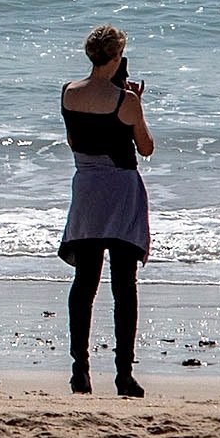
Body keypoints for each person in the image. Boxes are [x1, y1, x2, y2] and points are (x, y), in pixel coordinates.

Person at [60, 26, 154, 396]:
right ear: (116, 58)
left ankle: (80, 370)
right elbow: (145, 148)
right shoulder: (125, 100)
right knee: (123, 285)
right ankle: (123, 374)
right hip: (120, 191)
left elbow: (72, 140)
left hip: (87, 188)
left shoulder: (69, 92)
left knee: (84, 283)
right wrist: (138, 105)